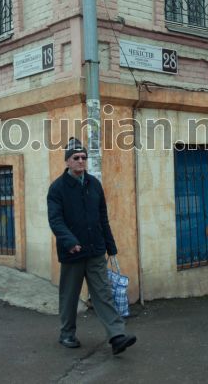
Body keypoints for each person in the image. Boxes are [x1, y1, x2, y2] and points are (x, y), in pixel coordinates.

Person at [47, 137, 137, 355]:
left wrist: (111, 247)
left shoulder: (94, 184)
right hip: (72, 253)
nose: (81, 161)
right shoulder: (57, 188)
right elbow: (55, 220)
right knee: (69, 296)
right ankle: (67, 334)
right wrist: (70, 241)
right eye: (76, 158)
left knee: (103, 294)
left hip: (95, 250)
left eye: (83, 157)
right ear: (67, 161)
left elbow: (103, 218)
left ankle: (116, 336)